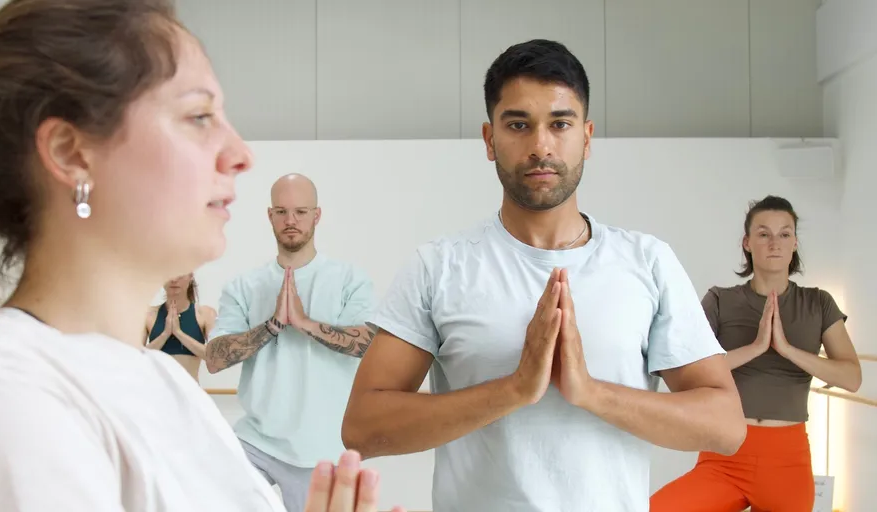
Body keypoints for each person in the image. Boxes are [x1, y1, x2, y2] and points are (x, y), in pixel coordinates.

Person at [0, 1, 401, 511]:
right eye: (198, 116)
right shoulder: (4, 392)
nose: (241, 153)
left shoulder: (167, 384)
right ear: (70, 152)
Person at [340, 39, 747, 512]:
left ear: (587, 137)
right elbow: (363, 428)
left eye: (560, 124)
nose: (540, 146)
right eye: (518, 125)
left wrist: (590, 392)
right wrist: (514, 389)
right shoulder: (440, 265)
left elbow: (725, 426)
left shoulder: (647, 261)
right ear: (490, 140)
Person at [650, 195, 861, 512]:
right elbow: (690, 372)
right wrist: (756, 348)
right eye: (764, 234)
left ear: (794, 243)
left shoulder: (819, 303)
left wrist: (788, 350)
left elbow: (852, 377)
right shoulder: (720, 299)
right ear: (747, 243)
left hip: (787, 461)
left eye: (784, 234)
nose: (774, 242)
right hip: (724, 455)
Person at [204, 173, 377, 512]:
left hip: (323, 449)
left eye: (300, 211)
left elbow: (367, 344)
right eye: (281, 212)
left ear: (317, 215)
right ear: (270, 216)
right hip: (255, 442)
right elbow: (214, 359)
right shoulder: (244, 286)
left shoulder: (349, 279)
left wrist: (305, 324)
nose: (291, 221)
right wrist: (272, 326)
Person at [145, 273, 216, 381]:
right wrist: (165, 334)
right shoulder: (148, 315)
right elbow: (136, 358)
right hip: (156, 393)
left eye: (180, 273)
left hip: (190, 393)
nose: (174, 279)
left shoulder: (205, 314)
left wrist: (179, 333)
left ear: (190, 276)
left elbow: (215, 358)